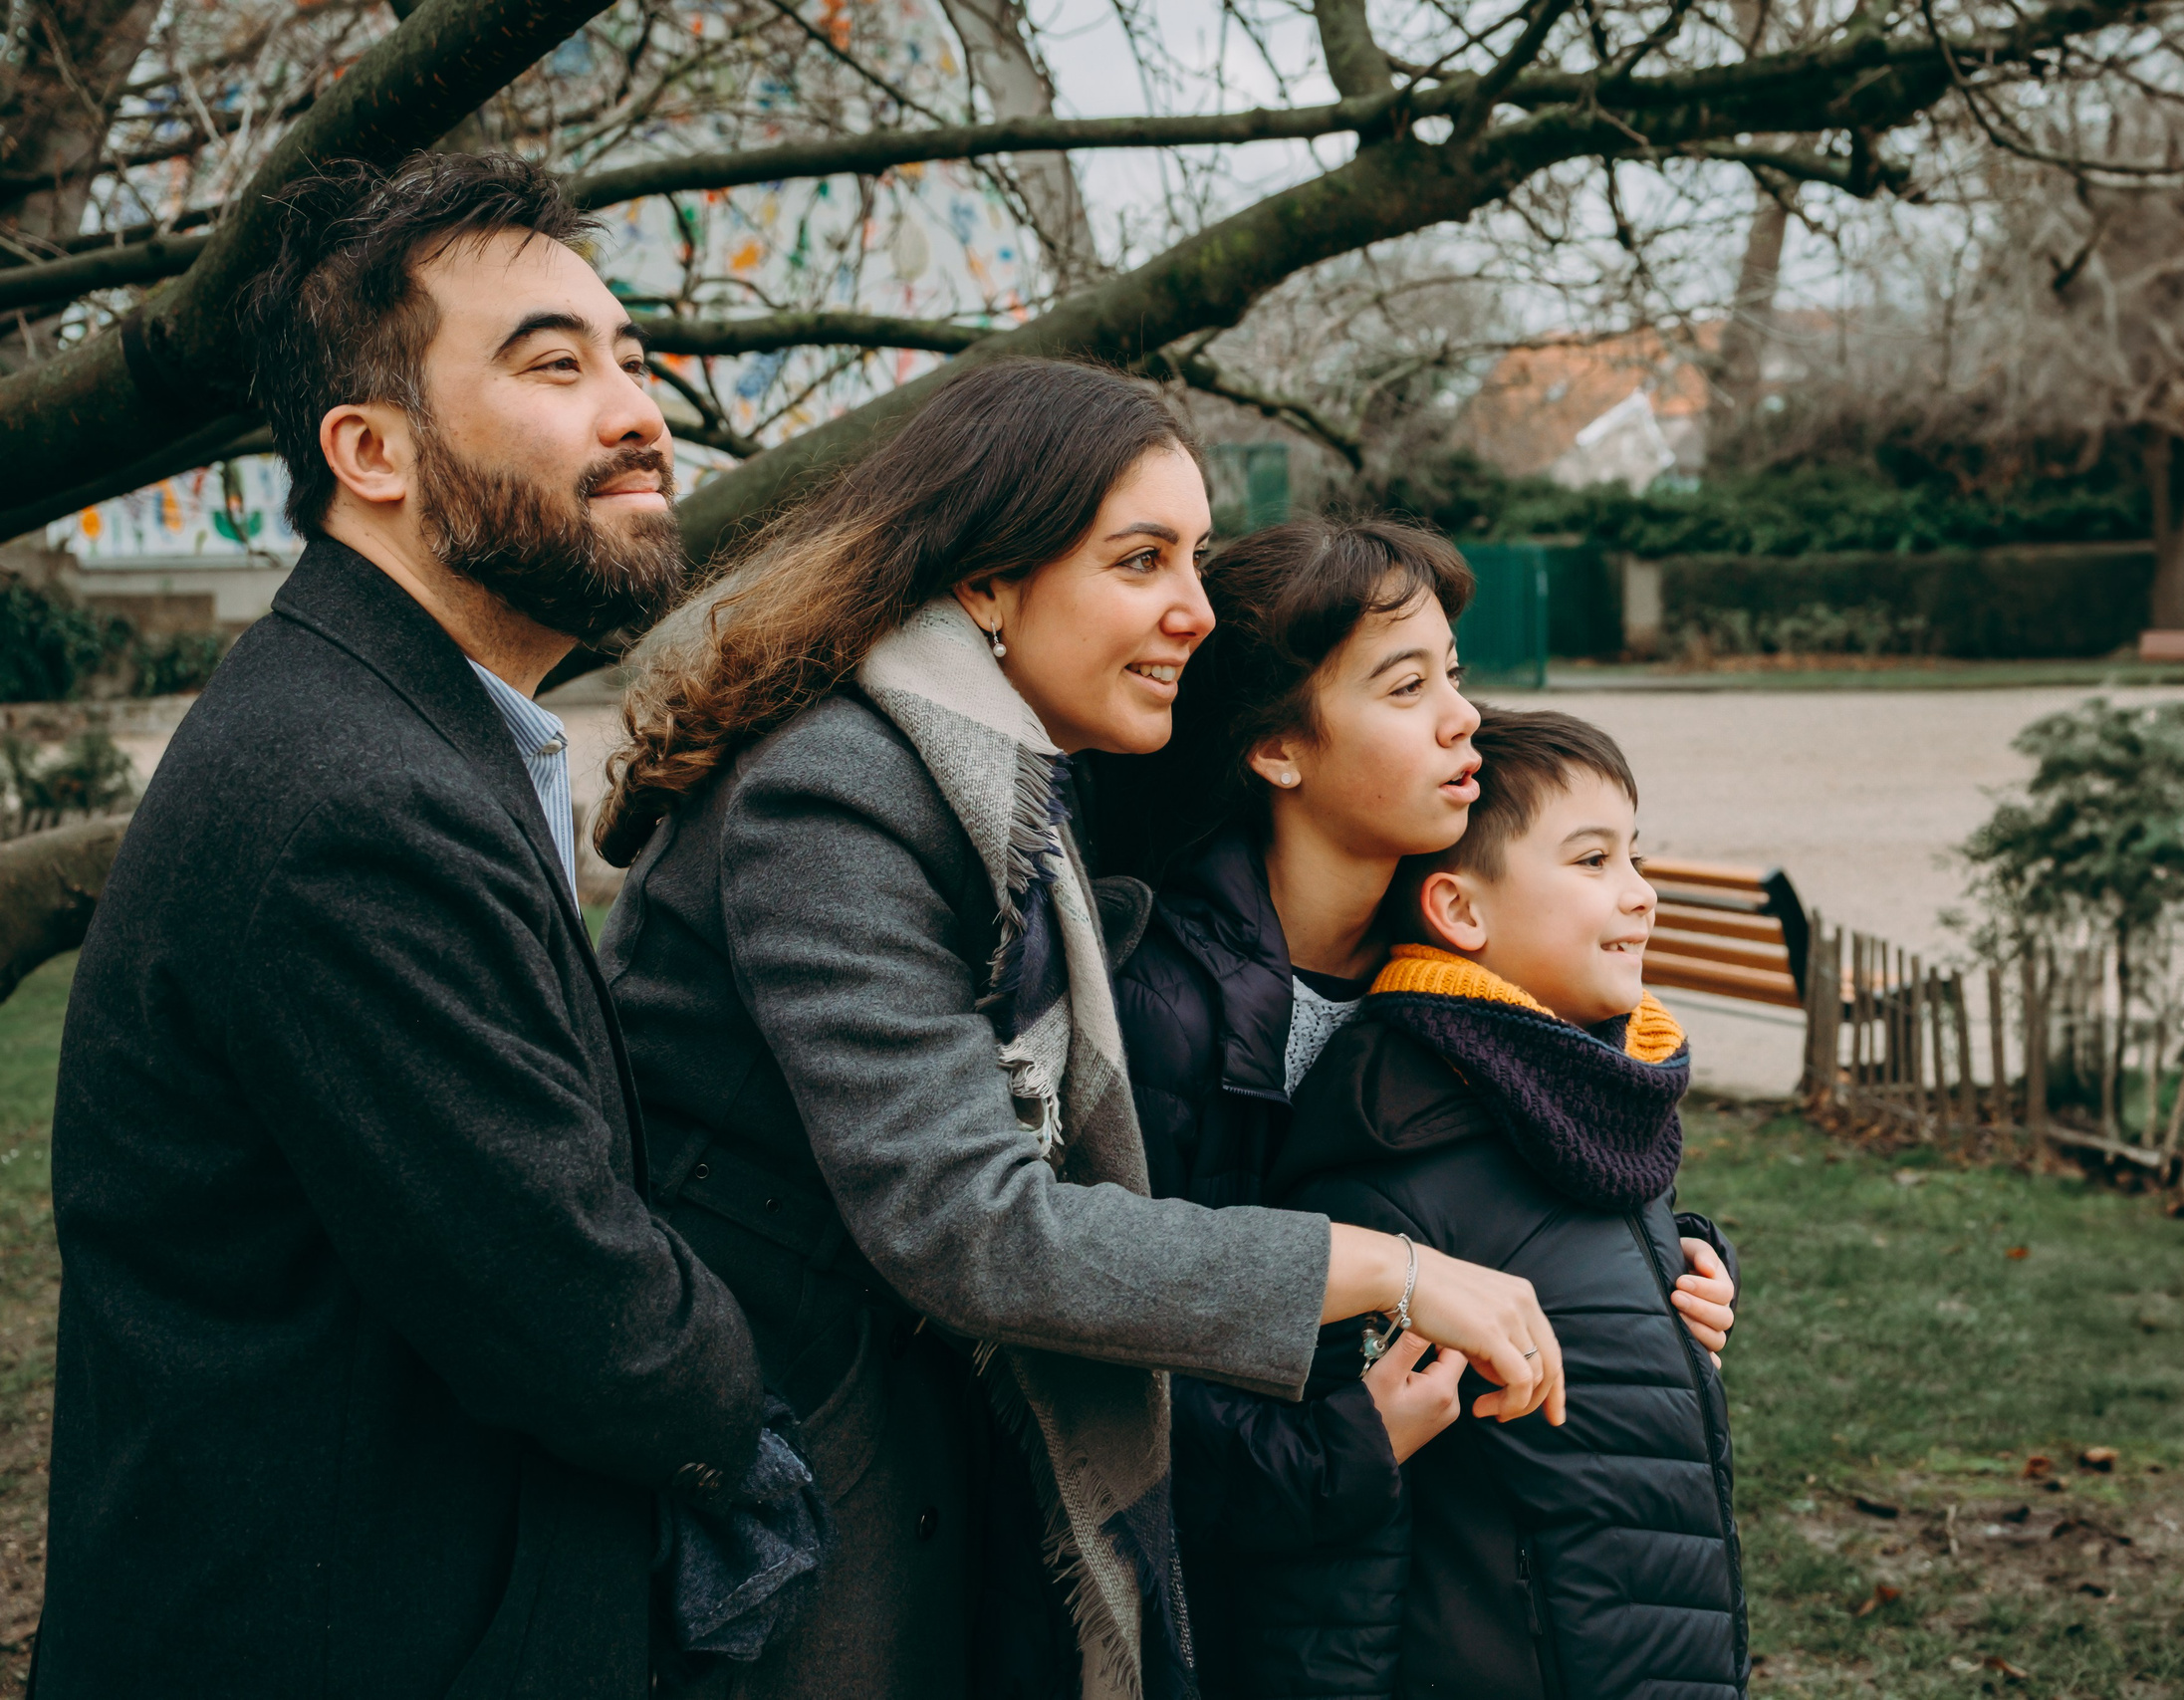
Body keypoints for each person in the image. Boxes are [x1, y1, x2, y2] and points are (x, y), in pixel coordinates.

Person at [590, 357, 1568, 1700]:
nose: (1194, 611)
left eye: (1199, 557)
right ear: (988, 581)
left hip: (909, 1428)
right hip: (790, 1464)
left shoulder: (1015, 781)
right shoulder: (834, 791)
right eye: (1141, 560)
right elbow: (975, 1224)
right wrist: (1386, 1267)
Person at [37, 153, 785, 1700]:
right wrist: (756, 1390)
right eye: (554, 364)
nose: (639, 410)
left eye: (632, 358)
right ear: (372, 450)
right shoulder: (346, 800)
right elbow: (594, 1326)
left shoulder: (394, 722)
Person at [1102, 523, 1741, 1695]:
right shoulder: (1161, 1012)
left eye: (1452, 672)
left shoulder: (1452, 963)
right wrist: (1346, 1446)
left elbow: (1540, 1166)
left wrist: (1668, 1266)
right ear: (1279, 752)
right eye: (1407, 686)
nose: (1464, 718)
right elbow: (1116, 1341)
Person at [1265, 706, 1748, 1700]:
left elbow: (1571, 1252)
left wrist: (1686, 1261)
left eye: (1634, 856)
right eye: (1591, 861)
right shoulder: (1392, 1155)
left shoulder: (1585, 1100)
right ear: (1461, 913)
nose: (1640, 895)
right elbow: (1337, 1579)